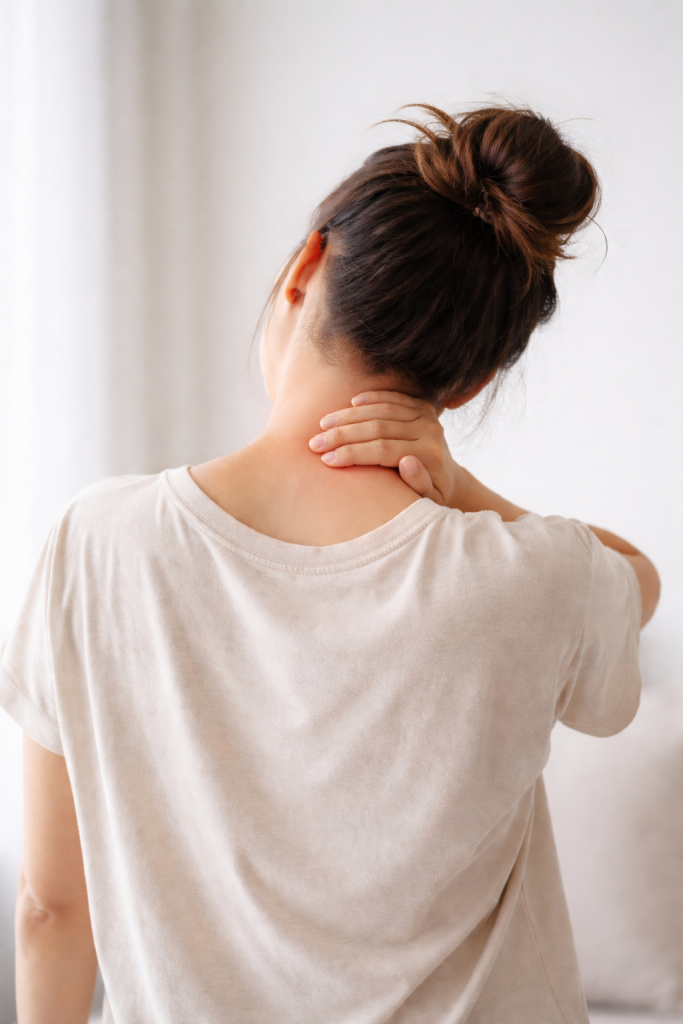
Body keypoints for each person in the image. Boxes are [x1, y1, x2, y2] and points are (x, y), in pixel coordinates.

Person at [1, 105, 660, 1024]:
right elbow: (635, 582)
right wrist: (462, 486)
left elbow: (49, 907)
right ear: (470, 383)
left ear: (306, 267)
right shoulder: (530, 575)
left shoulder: (96, 541)